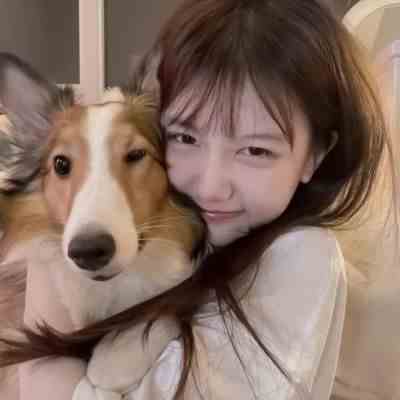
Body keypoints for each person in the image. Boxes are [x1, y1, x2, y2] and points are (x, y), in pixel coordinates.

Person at [0, 0, 392, 399]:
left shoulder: (303, 257)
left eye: (256, 150)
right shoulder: (206, 239)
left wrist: (46, 304)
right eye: (185, 138)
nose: (210, 187)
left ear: (315, 156)